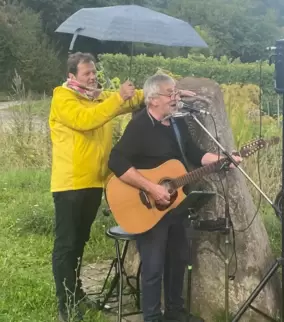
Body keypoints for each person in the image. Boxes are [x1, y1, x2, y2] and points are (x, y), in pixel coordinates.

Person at [48, 52, 195, 322]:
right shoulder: (63, 99)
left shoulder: (100, 97)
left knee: (80, 241)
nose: (93, 77)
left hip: (97, 180)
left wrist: (172, 95)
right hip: (69, 183)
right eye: (86, 74)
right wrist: (119, 97)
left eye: (94, 72)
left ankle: (78, 293)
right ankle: (65, 303)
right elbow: (86, 120)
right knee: (66, 244)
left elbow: (142, 97)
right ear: (71, 76)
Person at [107, 73, 242, 322]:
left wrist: (224, 160)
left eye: (176, 93)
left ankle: (175, 312)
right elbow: (116, 160)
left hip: (177, 204)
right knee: (153, 266)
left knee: (178, 260)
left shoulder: (179, 124)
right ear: (153, 99)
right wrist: (150, 187)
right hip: (148, 207)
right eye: (170, 94)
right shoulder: (140, 125)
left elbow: (195, 153)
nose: (175, 98)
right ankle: (152, 317)